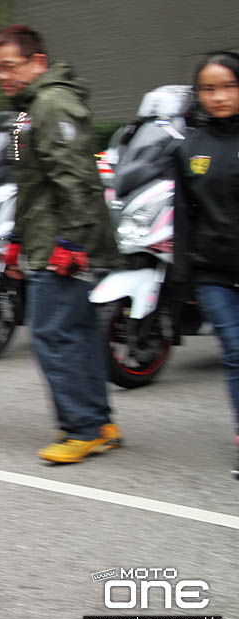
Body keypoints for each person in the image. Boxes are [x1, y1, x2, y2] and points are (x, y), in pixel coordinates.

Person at [0, 25, 121, 463]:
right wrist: (16, 240)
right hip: (43, 238)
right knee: (78, 333)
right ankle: (99, 422)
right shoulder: (26, 111)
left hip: (61, 243)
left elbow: (78, 180)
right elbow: (30, 183)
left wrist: (72, 241)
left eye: (10, 66)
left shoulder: (51, 102)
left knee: (52, 335)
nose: (2, 76)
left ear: (37, 63)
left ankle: (81, 428)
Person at [171, 51, 239, 478]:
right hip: (213, 273)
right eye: (209, 89)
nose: (219, 96)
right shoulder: (189, 148)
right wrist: (183, 275)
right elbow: (183, 215)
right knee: (236, 353)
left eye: (229, 86)